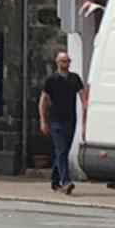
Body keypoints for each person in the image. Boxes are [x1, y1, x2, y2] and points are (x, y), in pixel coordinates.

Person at [38, 46, 86, 193]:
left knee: (63, 151)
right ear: (57, 63)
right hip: (55, 120)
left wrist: (85, 117)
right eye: (63, 61)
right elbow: (43, 101)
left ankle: (54, 180)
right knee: (61, 149)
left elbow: (83, 97)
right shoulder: (51, 80)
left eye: (68, 61)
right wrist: (43, 121)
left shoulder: (75, 79)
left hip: (70, 119)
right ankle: (65, 181)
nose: (66, 64)